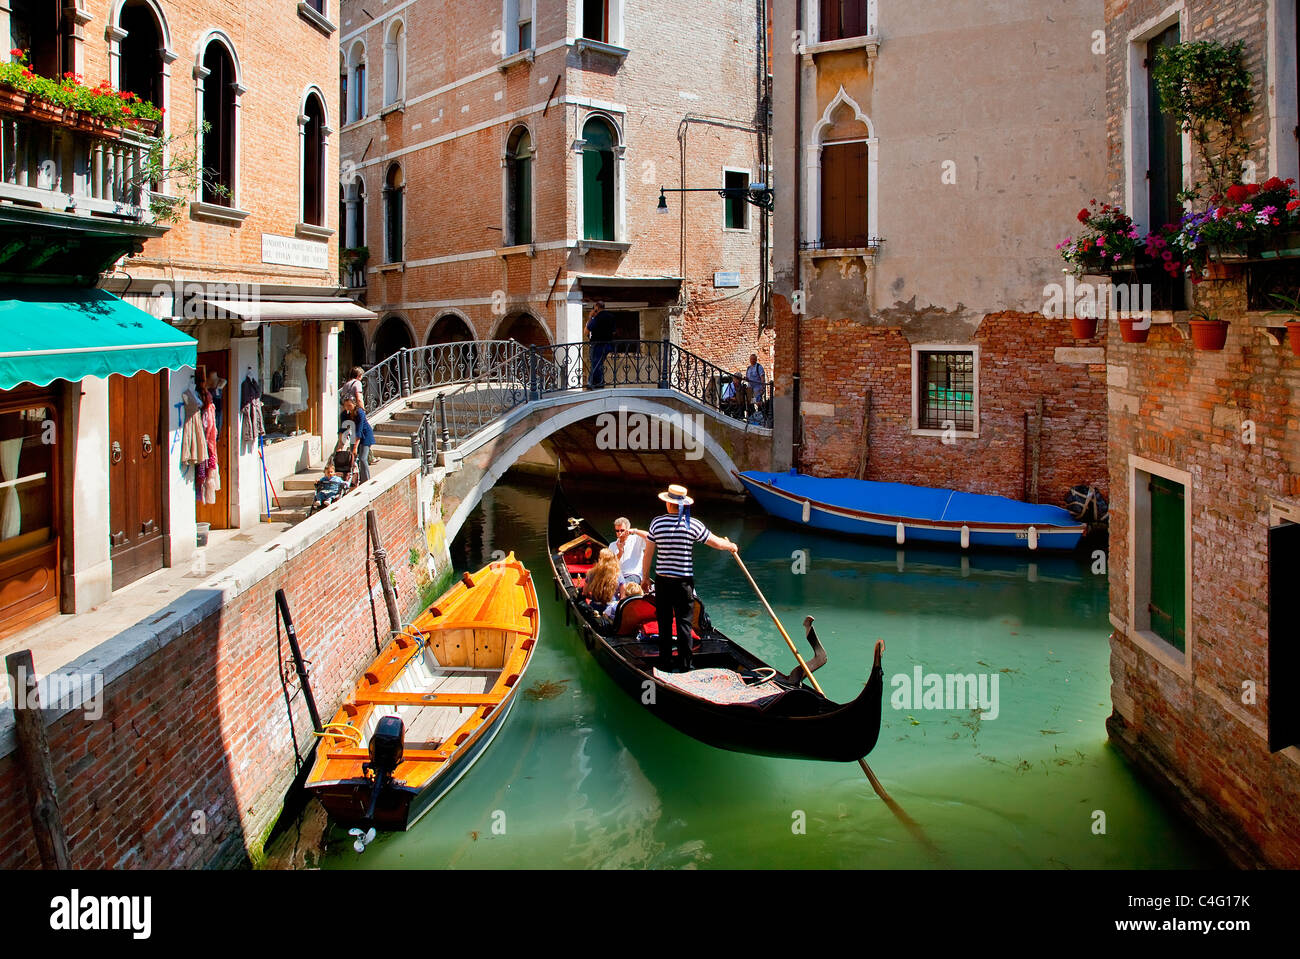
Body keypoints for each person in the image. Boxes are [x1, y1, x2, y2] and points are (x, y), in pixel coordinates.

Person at [640, 483, 738, 672]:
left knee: (665, 622)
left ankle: (665, 663)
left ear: (668, 504)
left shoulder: (656, 523)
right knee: (684, 623)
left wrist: (645, 577)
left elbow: (648, 553)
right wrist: (731, 546)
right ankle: (685, 665)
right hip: (683, 583)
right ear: (684, 505)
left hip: (662, 581)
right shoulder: (692, 524)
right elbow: (716, 543)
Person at [341, 397, 375, 484]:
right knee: (353, 458)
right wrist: (340, 446)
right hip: (354, 435)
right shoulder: (344, 414)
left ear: (354, 404)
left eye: (349, 405)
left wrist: (355, 447)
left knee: (362, 458)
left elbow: (359, 431)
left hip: (365, 435)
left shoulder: (360, 413)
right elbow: (342, 430)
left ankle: (366, 480)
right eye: (345, 405)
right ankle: (355, 479)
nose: (347, 407)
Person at [586, 300, 615, 388]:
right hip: (608, 344)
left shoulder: (597, 318)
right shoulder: (611, 316)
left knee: (595, 363)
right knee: (599, 363)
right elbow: (614, 331)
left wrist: (591, 317)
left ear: (597, 308)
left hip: (597, 344)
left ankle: (596, 383)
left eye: (594, 308)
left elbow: (588, 328)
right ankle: (597, 382)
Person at [582, 548, 620, 616]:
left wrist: (594, 597)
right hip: (611, 611)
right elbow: (623, 598)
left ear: (600, 559)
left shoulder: (591, 573)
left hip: (595, 607)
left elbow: (585, 592)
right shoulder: (618, 576)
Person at [612, 517, 647, 588]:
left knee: (622, 587)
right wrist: (620, 552)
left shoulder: (636, 539)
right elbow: (612, 564)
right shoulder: (612, 545)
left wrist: (634, 531)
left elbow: (650, 537)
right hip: (618, 576)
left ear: (627, 529)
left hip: (634, 575)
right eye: (617, 531)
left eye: (622, 530)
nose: (619, 533)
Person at [745, 353, 766, 424]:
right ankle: (751, 417)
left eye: (753, 359)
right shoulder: (748, 368)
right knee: (751, 402)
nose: (752, 360)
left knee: (758, 403)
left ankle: (761, 417)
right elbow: (748, 378)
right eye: (751, 359)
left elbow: (762, 378)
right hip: (750, 389)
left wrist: (763, 387)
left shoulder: (759, 367)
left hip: (757, 388)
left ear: (756, 360)